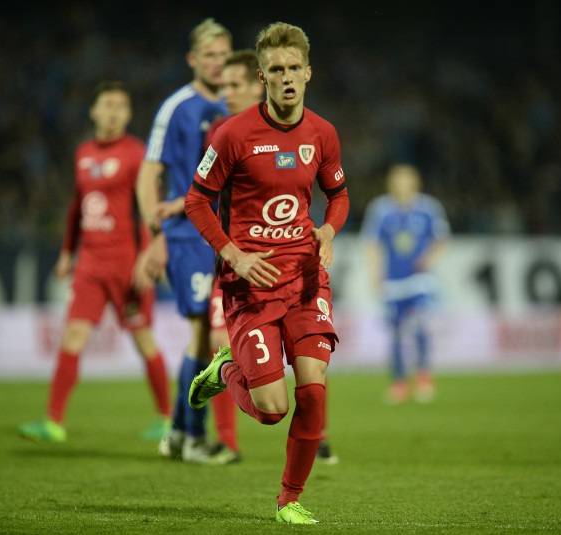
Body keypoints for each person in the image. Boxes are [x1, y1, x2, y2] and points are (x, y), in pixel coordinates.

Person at [185, 22, 349, 524]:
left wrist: (328, 230)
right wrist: (233, 255)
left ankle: (289, 500)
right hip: (250, 284)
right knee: (272, 409)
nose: (286, 77)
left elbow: (338, 195)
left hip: (305, 277)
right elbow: (197, 201)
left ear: (308, 72)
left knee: (313, 389)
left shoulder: (322, 133)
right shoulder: (232, 135)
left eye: (294, 68)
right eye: (276, 70)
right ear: (262, 77)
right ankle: (225, 370)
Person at [18, 81, 172, 443]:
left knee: (143, 339)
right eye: (107, 104)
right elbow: (76, 207)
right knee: (73, 335)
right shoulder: (83, 152)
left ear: (129, 114)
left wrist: (148, 255)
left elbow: (149, 208)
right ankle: (53, 421)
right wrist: (67, 253)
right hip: (89, 263)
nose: (113, 112)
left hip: (126, 263)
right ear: (94, 111)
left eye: (120, 106)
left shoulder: (137, 154)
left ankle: (168, 419)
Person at [135, 18, 232, 463]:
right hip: (186, 235)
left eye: (224, 55)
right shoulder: (176, 107)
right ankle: (194, 437)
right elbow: (148, 175)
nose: (218, 63)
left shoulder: (234, 104)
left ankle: (176, 433)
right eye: (210, 55)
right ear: (193, 59)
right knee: (203, 334)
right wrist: (155, 237)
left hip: (222, 236)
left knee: (208, 335)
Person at [202, 49, 265, 464]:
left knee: (304, 352)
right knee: (219, 341)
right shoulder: (219, 133)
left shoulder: (291, 129)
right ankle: (228, 441)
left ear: (258, 85)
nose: (226, 92)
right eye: (222, 85)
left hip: (282, 260)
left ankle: (320, 437)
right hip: (231, 262)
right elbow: (201, 196)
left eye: (234, 84)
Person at [360, 163, 450, 404]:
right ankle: (399, 382)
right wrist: (374, 274)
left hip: (420, 281)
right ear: (390, 184)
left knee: (420, 324)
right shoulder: (380, 209)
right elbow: (371, 244)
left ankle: (423, 378)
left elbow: (442, 238)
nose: (401, 185)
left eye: (406, 180)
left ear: (415, 183)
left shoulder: (429, 208)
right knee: (396, 332)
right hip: (393, 283)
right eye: (397, 180)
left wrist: (428, 258)